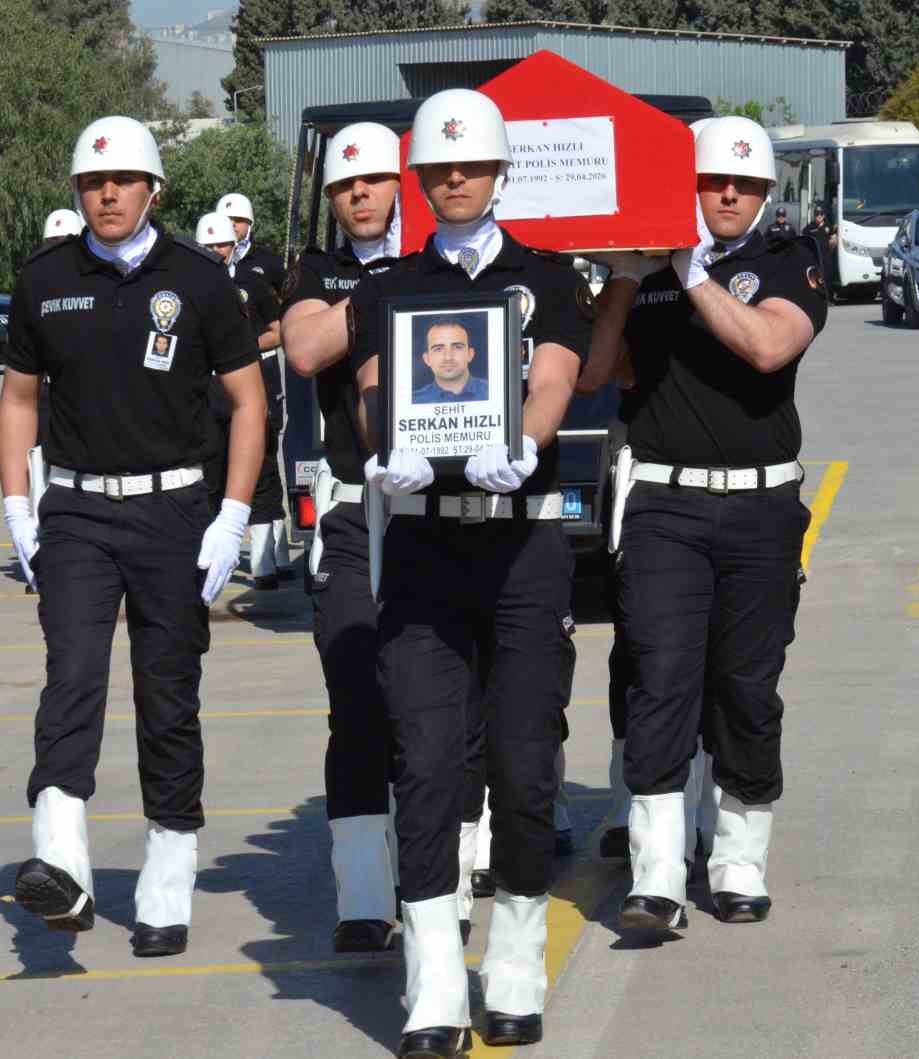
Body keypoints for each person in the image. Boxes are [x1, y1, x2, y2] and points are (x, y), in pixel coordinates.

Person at [0, 115, 268, 959]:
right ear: (77, 191)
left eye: (121, 182)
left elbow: (250, 403)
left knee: (167, 694)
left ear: (153, 189)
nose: (106, 194)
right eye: (91, 182)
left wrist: (233, 515)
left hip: (176, 509)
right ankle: (62, 862)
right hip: (74, 511)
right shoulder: (44, 280)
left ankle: (167, 872)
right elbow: (18, 402)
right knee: (71, 676)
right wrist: (17, 508)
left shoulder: (200, 279)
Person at [354, 88, 592, 1056]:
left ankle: (517, 960)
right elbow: (375, 389)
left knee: (525, 767)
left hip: (522, 540)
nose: (453, 180)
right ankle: (434, 987)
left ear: (499, 174)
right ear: (421, 178)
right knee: (423, 766)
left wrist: (523, 444)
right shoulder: (388, 286)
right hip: (420, 541)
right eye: (438, 168)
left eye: (469, 166)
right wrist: (384, 450)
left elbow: (556, 377)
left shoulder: (550, 276)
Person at [586, 115, 827, 932]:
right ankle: (656, 874)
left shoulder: (790, 261)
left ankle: (737, 860)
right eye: (714, 180)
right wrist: (624, 274)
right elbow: (595, 372)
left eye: (745, 183)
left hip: (761, 506)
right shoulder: (650, 267)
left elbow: (766, 348)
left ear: (765, 192)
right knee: (659, 680)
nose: (728, 194)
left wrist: (686, 270)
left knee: (745, 690)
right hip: (663, 502)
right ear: (686, 183)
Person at [281, 120, 408, 955]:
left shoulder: (445, 260)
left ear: (404, 183)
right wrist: (387, 288)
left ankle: (456, 865)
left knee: (445, 700)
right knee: (358, 702)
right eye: (345, 186)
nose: (359, 194)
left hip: (439, 501)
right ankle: (365, 895)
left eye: (373, 181)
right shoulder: (315, 272)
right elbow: (305, 344)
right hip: (351, 506)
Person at [196, 210, 288, 594]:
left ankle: (265, 563)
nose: (218, 251)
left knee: (262, 469)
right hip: (205, 389)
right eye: (210, 244)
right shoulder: (185, 286)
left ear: (235, 247)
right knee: (207, 471)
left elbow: (279, 330)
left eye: (223, 244)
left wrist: (240, 350)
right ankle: (206, 558)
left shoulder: (252, 281)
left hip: (249, 382)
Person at [217, 192, 286, 293]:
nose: (232, 224)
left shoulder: (269, 261)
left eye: (238, 219)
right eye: (226, 219)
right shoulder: (207, 258)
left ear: (250, 223)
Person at [411, 318, 489, 403]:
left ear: (470, 354)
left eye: (457, 347)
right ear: (427, 359)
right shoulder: (414, 400)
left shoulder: (495, 392)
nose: (448, 357)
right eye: (438, 349)